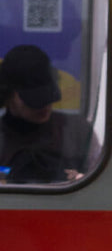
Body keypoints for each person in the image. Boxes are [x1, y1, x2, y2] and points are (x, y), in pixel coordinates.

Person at [0, 44, 97, 183]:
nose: (44, 106)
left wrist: (79, 178)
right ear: (9, 95)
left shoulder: (77, 132)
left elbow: (100, 179)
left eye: (48, 96)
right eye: (34, 99)